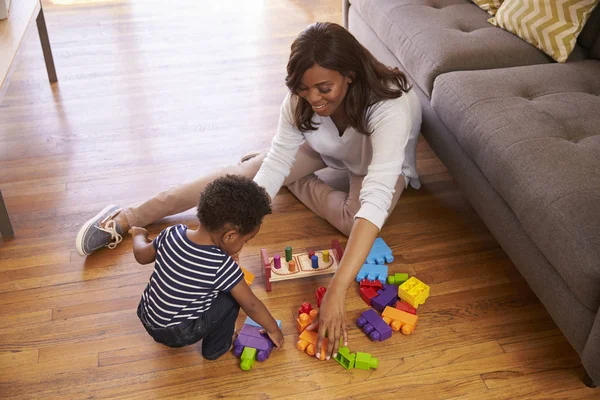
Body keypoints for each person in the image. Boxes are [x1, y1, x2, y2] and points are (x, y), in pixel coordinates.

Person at [76, 22, 422, 362]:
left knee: (352, 220)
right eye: (303, 88)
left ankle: (291, 180)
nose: (312, 98)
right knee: (245, 176)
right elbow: (277, 162)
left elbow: (375, 197)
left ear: (349, 74)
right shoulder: (303, 100)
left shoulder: (389, 106)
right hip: (324, 149)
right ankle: (126, 217)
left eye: (323, 88)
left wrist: (337, 290)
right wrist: (234, 226)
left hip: (376, 165)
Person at [132, 175, 284, 359]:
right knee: (233, 298)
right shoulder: (222, 265)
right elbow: (251, 304)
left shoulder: (171, 233)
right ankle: (218, 348)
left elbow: (141, 255)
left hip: (146, 314)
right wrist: (273, 329)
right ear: (229, 236)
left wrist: (139, 235)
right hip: (177, 333)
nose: (243, 245)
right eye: (246, 240)